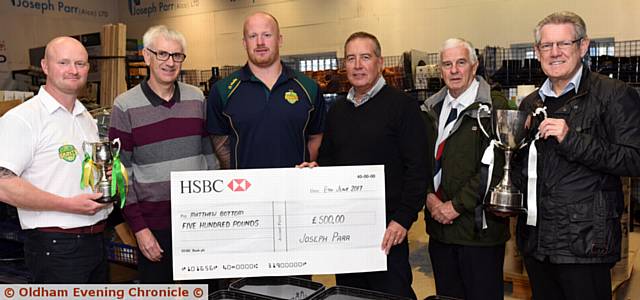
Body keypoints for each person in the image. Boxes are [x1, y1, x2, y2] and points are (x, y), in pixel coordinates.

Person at [514, 11, 640, 300]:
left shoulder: (613, 94)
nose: (555, 53)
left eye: (564, 44)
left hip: (585, 246)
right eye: (547, 46)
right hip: (537, 243)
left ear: (583, 47)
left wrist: (572, 139)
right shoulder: (530, 102)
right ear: (536, 52)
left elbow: (634, 159)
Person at [301, 32, 427, 299]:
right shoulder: (337, 111)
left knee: (393, 293)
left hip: (387, 231)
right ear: (344, 65)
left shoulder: (403, 106)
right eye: (351, 58)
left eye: (365, 57)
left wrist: (402, 220)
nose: (358, 65)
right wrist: (313, 176)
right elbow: (329, 162)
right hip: (346, 230)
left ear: (379, 63)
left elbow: (418, 168)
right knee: (350, 294)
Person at [108, 25, 216, 283]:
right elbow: (120, 176)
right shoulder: (124, 106)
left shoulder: (197, 99)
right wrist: (140, 230)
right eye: (162, 54)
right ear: (146, 56)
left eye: (177, 55)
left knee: (205, 292)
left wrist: (214, 213)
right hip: (154, 227)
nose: (170, 62)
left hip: (198, 221)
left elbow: (209, 157)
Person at [0, 36, 111, 283]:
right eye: (64, 62)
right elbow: (3, 185)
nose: (73, 70)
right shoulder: (24, 119)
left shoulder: (85, 118)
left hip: (95, 242)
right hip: (56, 246)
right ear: (45, 66)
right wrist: (67, 204)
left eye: (80, 63)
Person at [420, 38, 509, 300]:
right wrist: (429, 199)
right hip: (440, 231)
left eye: (461, 63)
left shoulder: (495, 107)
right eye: (447, 64)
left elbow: (497, 167)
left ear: (474, 65)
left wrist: (455, 206)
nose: (454, 70)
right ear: (440, 69)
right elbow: (419, 162)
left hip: (478, 234)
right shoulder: (430, 109)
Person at [206, 11, 325, 169]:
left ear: (279, 40)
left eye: (267, 35)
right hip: (245, 190)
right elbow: (220, 141)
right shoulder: (222, 90)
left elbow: (316, 136)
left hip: (294, 189)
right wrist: (238, 176)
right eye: (253, 36)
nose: (260, 42)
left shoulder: (309, 87)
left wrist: (302, 172)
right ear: (244, 42)